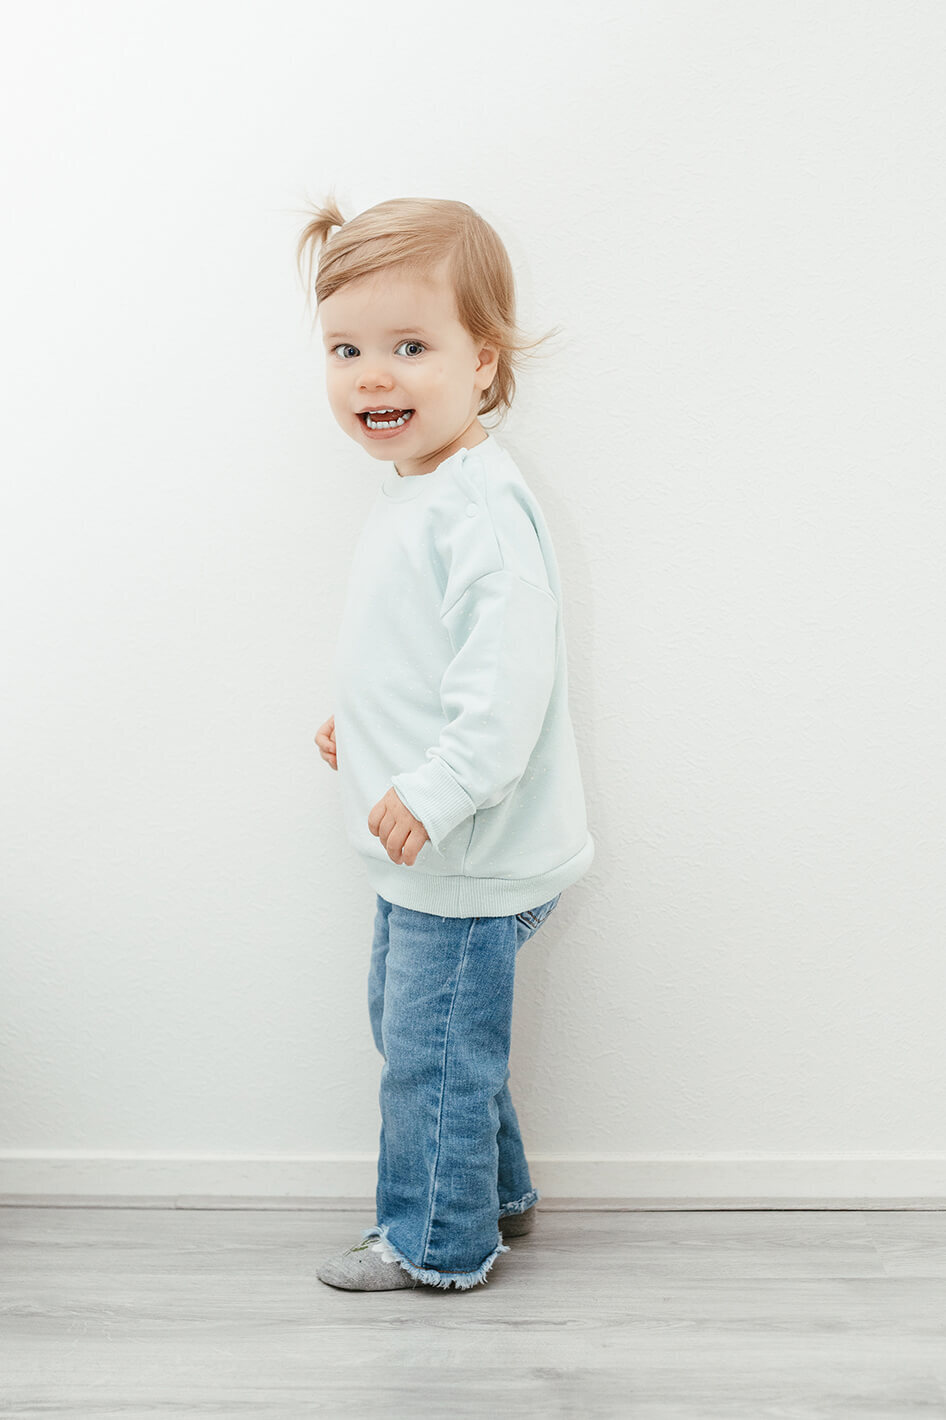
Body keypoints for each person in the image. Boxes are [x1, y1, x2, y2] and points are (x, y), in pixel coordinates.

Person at [296, 196, 595, 1291]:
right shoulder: (421, 492)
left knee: (430, 1055)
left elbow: (505, 690)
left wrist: (435, 787)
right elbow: (425, 650)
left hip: (465, 847)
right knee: (426, 1029)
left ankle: (436, 1239)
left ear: (484, 363)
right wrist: (363, 719)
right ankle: (496, 1191)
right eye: (347, 350)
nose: (373, 375)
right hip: (434, 850)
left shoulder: (477, 509)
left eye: (410, 347)